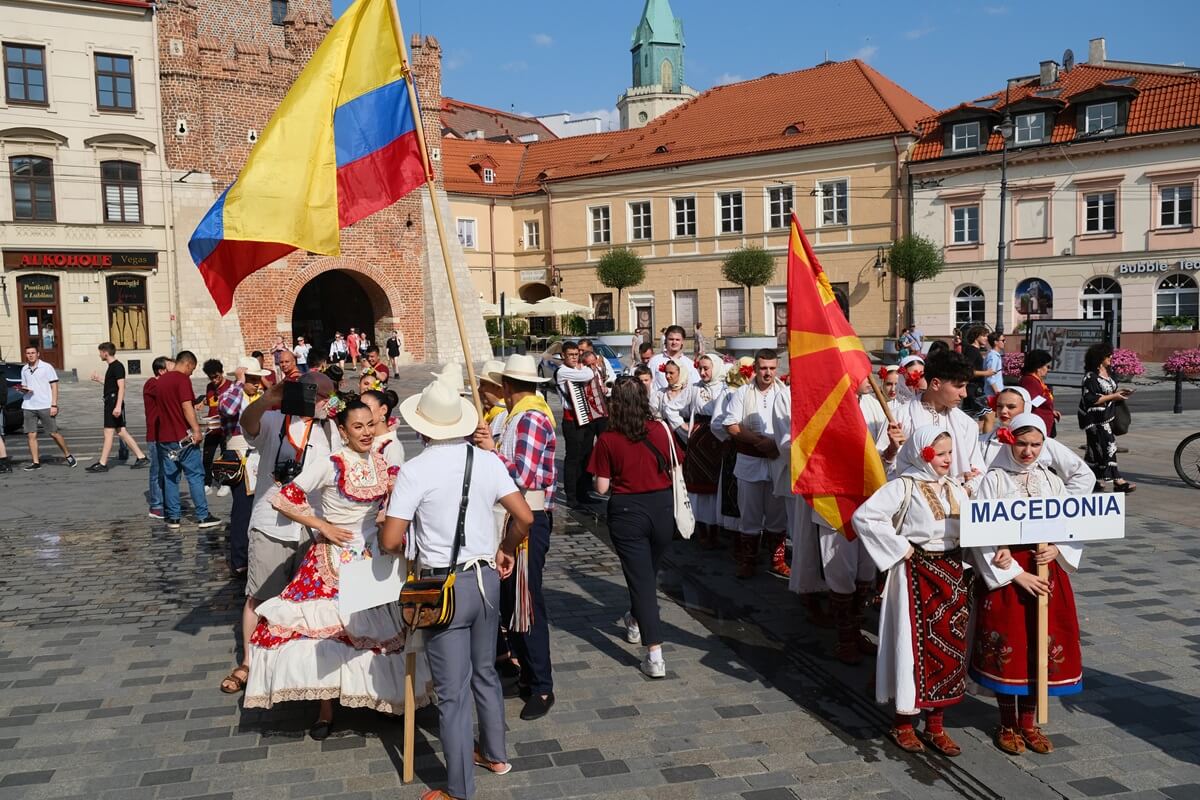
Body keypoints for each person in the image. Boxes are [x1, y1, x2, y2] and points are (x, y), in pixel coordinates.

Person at [381, 380, 533, 800]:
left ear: (423, 428)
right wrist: (505, 548)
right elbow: (524, 518)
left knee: (452, 694)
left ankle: (459, 790)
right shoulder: (487, 461)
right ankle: (497, 754)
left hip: (441, 586)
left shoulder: (416, 470)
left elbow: (391, 541)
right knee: (485, 673)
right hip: (485, 578)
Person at [244, 400, 431, 738]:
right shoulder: (329, 463)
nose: (366, 432)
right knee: (331, 635)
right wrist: (322, 526)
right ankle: (325, 708)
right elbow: (284, 497)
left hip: (375, 560)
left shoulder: (382, 462)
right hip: (333, 559)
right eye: (357, 427)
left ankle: (383, 697)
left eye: (370, 425)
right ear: (343, 431)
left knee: (378, 636)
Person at [968, 413, 1084, 756]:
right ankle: (1006, 722)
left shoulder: (1051, 480)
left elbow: (1070, 522)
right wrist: (1015, 573)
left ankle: (1029, 723)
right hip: (1010, 574)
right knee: (1010, 645)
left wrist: (1057, 546)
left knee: (1040, 644)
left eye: (1036, 444)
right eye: (1022, 443)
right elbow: (980, 533)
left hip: (1046, 570)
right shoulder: (994, 480)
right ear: (1009, 440)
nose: (1029, 451)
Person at [852, 427, 971, 756]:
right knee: (911, 648)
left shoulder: (956, 489)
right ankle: (903, 723)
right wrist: (899, 546)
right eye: (941, 452)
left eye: (950, 452)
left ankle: (936, 725)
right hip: (914, 575)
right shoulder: (904, 486)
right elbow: (865, 517)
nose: (948, 459)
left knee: (950, 649)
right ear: (923, 452)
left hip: (951, 575)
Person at [219, 370, 335, 697]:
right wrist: (269, 398)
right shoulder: (274, 421)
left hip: (314, 526)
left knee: (309, 603)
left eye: (330, 395)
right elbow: (247, 423)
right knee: (261, 595)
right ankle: (249, 660)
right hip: (271, 523)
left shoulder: (333, 430)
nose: (326, 401)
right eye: (319, 395)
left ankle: (296, 664)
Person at [474, 354, 557, 720]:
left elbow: (524, 475)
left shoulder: (532, 418)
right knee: (512, 600)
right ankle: (526, 673)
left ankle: (542, 685)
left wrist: (492, 453)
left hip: (529, 516)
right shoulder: (514, 418)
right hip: (512, 515)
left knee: (526, 602)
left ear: (507, 387)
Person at [588, 375, 684, 678]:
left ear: (615, 403)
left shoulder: (607, 439)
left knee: (642, 580)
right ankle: (633, 618)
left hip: (628, 511)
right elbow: (675, 465)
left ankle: (654, 653)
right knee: (645, 574)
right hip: (662, 510)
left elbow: (601, 488)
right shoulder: (661, 430)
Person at [719, 349, 788, 579]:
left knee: (778, 514)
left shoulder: (785, 393)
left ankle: (777, 560)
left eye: (771, 368)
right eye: (763, 368)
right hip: (750, 461)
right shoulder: (743, 393)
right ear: (755, 369)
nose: (767, 373)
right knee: (750, 515)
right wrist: (760, 442)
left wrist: (776, 446)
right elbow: (731, 425)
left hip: (779, 461)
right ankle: (748, 560)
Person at [894, 351, 986, 495]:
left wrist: (964, 490)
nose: (964, 394)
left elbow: (978, 470)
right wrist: (890, 452)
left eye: (965, 386)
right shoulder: (900, 416)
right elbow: (884, 469)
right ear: (935, 384)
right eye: (958, 386)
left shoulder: (966, 424)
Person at [153, 352, 222, 529]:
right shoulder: (182, 380)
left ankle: (173, 517)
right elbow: (186, 407)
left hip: (164, 437)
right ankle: (202, 515)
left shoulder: (160, 382)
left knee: (171, 477)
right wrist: (197, 430)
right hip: (183, 437)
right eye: (192, 369)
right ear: (188, 364)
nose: (191, 373)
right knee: (195, 476)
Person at [218, 357, 272, 577]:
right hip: (237, 453)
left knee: (260, 504)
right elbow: (228, 409)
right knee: (242, 507)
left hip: (259, 453)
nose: (257, 383)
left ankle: (257, 551)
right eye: (252, 379)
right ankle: (239, 557)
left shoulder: (259, 396)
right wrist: (239, 383)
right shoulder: (232, 394)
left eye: (257, 379)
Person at [555, 341, 607, 507]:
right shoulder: (562, 371)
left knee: (586, 456)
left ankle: (583, 492)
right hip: (571, 421)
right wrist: (585, 368)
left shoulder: (577, 368)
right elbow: (587, 375)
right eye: (570, 355)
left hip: (585, 418)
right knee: (573, 459)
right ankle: (571, 497)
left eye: (576, 355)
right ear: (563, 355)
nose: (574, 358)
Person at [1078, 343, 1135, 493]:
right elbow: (1091, 399)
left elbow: (1111, 390)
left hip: (1108, 415)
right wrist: (1114, 396)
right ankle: (1118, 481)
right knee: (1109, 446)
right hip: (1095, 418)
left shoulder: (1109, 372)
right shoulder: (1090, 377)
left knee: (1094, 450)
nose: (1111, 357)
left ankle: (1093, 479)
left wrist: (1120, 393)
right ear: (1099, 357)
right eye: (1108, 355)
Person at [684, 355, 727, 550]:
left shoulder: (725, 388)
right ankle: (700, 529)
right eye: (700, 368)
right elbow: (678, 406)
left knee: (715, 486)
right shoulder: (694, 387)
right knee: (697, 486)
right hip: (698, 438)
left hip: (717, 440)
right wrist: (681, 426)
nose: (703, 373)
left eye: (706, 368)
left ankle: (715, 531)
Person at [88, 342, 149, 471]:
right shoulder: (112, 366)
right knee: (121, 431)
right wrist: (99, 379)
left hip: (113, 402)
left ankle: (103, 463)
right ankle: (141, 456)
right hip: (111, 401)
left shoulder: (117, 366)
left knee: (109, 432)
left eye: (100, 352)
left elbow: (121, 387)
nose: (99, 355)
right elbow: (112, 385)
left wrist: (117, 406)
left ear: (105, 352)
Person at [17, 345, 76, 471]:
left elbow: (54, 386)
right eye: (28, 353)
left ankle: (68, 454)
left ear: (38, 354)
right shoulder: (24, 369)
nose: (31, 355)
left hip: (45, 405)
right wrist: (23, 390)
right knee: (31, 435)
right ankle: (36, 462)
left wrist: (54, 404)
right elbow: (24, 386)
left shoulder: (47, 367)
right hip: (29, 405)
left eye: (33, 352)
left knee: (53, 433)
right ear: (25, 355)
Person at [143, 357, 173, 518]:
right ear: (161, 371)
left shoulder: (163, 383)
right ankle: (156, 504)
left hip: (166, 434)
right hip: (155, 434)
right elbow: (166, 394)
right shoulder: (152, 384)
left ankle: (167, 500)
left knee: (167, 470)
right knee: (157, 470)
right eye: (171, 369)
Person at [199, 359, 231, 495]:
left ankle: (225, 482)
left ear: (222, 373)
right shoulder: (209, 387)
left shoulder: (231, 386)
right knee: (207, 455)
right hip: (212, 427)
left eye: (216, 377)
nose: (214, 380)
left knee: (226, 455)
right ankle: (207, 482)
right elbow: (211, 401)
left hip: (226, 427)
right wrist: (202, 402)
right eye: (211, 377)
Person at [650, 360, 697, 444]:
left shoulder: (691, 392)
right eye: (666, 373)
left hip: (687, 435)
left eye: (671, 373)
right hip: (666, 436)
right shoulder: (660, 394)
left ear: (681, 373)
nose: (667, 376)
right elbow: (652, 411)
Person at [1018, 349, 1059, 437]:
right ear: (1038, 367)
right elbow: (1032, 402)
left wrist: (1051, 410)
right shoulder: (1030, 380)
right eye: (1047, 366)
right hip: (1038, 423)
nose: (1048, 369)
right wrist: (1044, 397)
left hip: (1043, 421)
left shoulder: (1035, 379)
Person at [648, 325, 699, 392]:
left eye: (677, 340)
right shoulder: (655, 361)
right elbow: (649, 385)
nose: (674, 342)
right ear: (666, 340)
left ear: (682, 341)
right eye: (671, 339)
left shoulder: (689, 364)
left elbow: (695, 386)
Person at [983, 331, 1006, 404]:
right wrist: (997, 392)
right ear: (995, 342)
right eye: (1002, 340)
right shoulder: (993, 356)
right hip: (992, 394)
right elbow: (990, 376)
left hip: (994, 393)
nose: (1004, 342)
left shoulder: (995, 355)